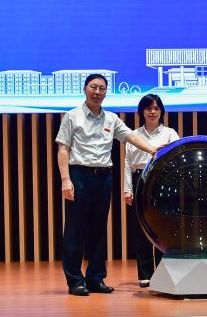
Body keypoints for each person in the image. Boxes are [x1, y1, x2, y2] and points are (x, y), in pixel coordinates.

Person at [56, 74, 160, 296]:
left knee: (98, 229)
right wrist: (66, 180)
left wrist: (152, 150)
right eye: (93, 87)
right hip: (79, 175)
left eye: (102, 88)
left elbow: (130, 136)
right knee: (75, 230)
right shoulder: (72, 116)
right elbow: (63, 149)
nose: (97, 92)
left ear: (106, 92)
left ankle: (95, 278)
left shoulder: (111, 119)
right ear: (85, 89)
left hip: (103, 178)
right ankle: (75, 281)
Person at [123, 94, 180, 287]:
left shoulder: (171, 133)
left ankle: (165, 273)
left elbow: (177, 159)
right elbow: (127, 164)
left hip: (163, 181)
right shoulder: (133, 135)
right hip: (140, 179)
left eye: (156, 108)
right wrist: (127, 189)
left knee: (165, 227)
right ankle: (145, 274)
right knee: (142, 229)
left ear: (162, 111)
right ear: (142, 112)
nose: (153, 112)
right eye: (148, 109)